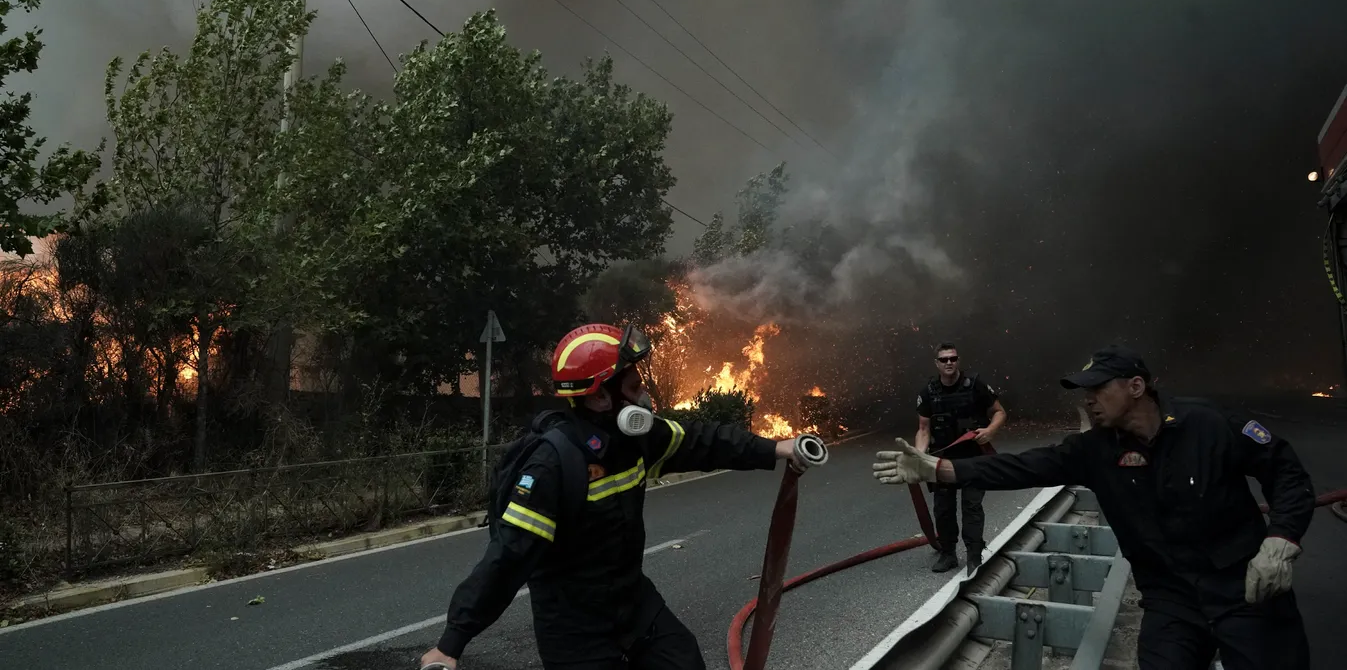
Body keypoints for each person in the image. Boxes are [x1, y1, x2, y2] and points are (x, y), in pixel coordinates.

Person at [873, 344, 1315, 670]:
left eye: (1098, 389)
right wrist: (937, 469)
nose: (1087, 399)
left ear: (1136, 387)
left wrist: (1281, 539)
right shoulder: (1094, 450)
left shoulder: (1210, 425)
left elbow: (1286, 472)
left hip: (1245, 588)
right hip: (1171, 599)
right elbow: (1022, 467)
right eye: (1084, 391)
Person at [420, 322, 803, 670]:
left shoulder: (636, 440)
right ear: (601, 397)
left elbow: (704, 443)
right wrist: (451, 645)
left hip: (634, 605)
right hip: (575, 631)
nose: (645, 396)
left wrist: (774, 449)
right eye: (635, 387)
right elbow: (507, 559)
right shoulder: (552, 466)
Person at [914, 342, 1007, 574]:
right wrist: (918, 456)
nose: (949, 363)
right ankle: (948, 554)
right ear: (936, 363)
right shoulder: (928, 391)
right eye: (944, 359)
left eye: (953, 359)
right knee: (943, 509)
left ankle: (974, 555)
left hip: (974, 458)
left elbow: (999, 412)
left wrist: (990, 431)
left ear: (958, 361)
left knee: (971, 507)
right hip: (944, 460)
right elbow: (923, 429)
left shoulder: (975, 384)